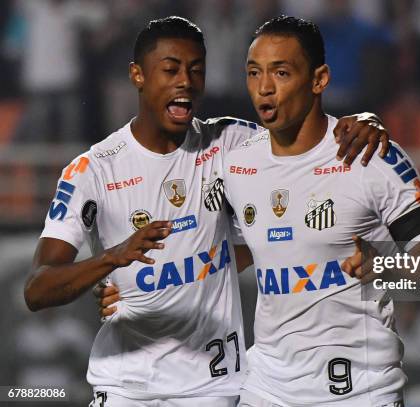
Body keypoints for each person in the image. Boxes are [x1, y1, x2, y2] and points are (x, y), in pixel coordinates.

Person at [24, 16, 391, 407]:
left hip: (213, 388)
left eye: (196, 69)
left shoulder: (232, 144)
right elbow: (38, 290)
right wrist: (112, 260)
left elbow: (306, 139)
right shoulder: (93, 170)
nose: (185, 81)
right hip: (124, 386)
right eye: (170, 69)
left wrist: (366, 120)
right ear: (137, 75)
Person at [222, 16, 420, 406]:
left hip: (360, 390)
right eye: (254, 72)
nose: (264, 88)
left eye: (281, 72)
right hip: (268, 387)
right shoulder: (236, 163)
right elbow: (227, 251)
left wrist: (386, 267)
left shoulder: (370, 156)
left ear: (319, 79)